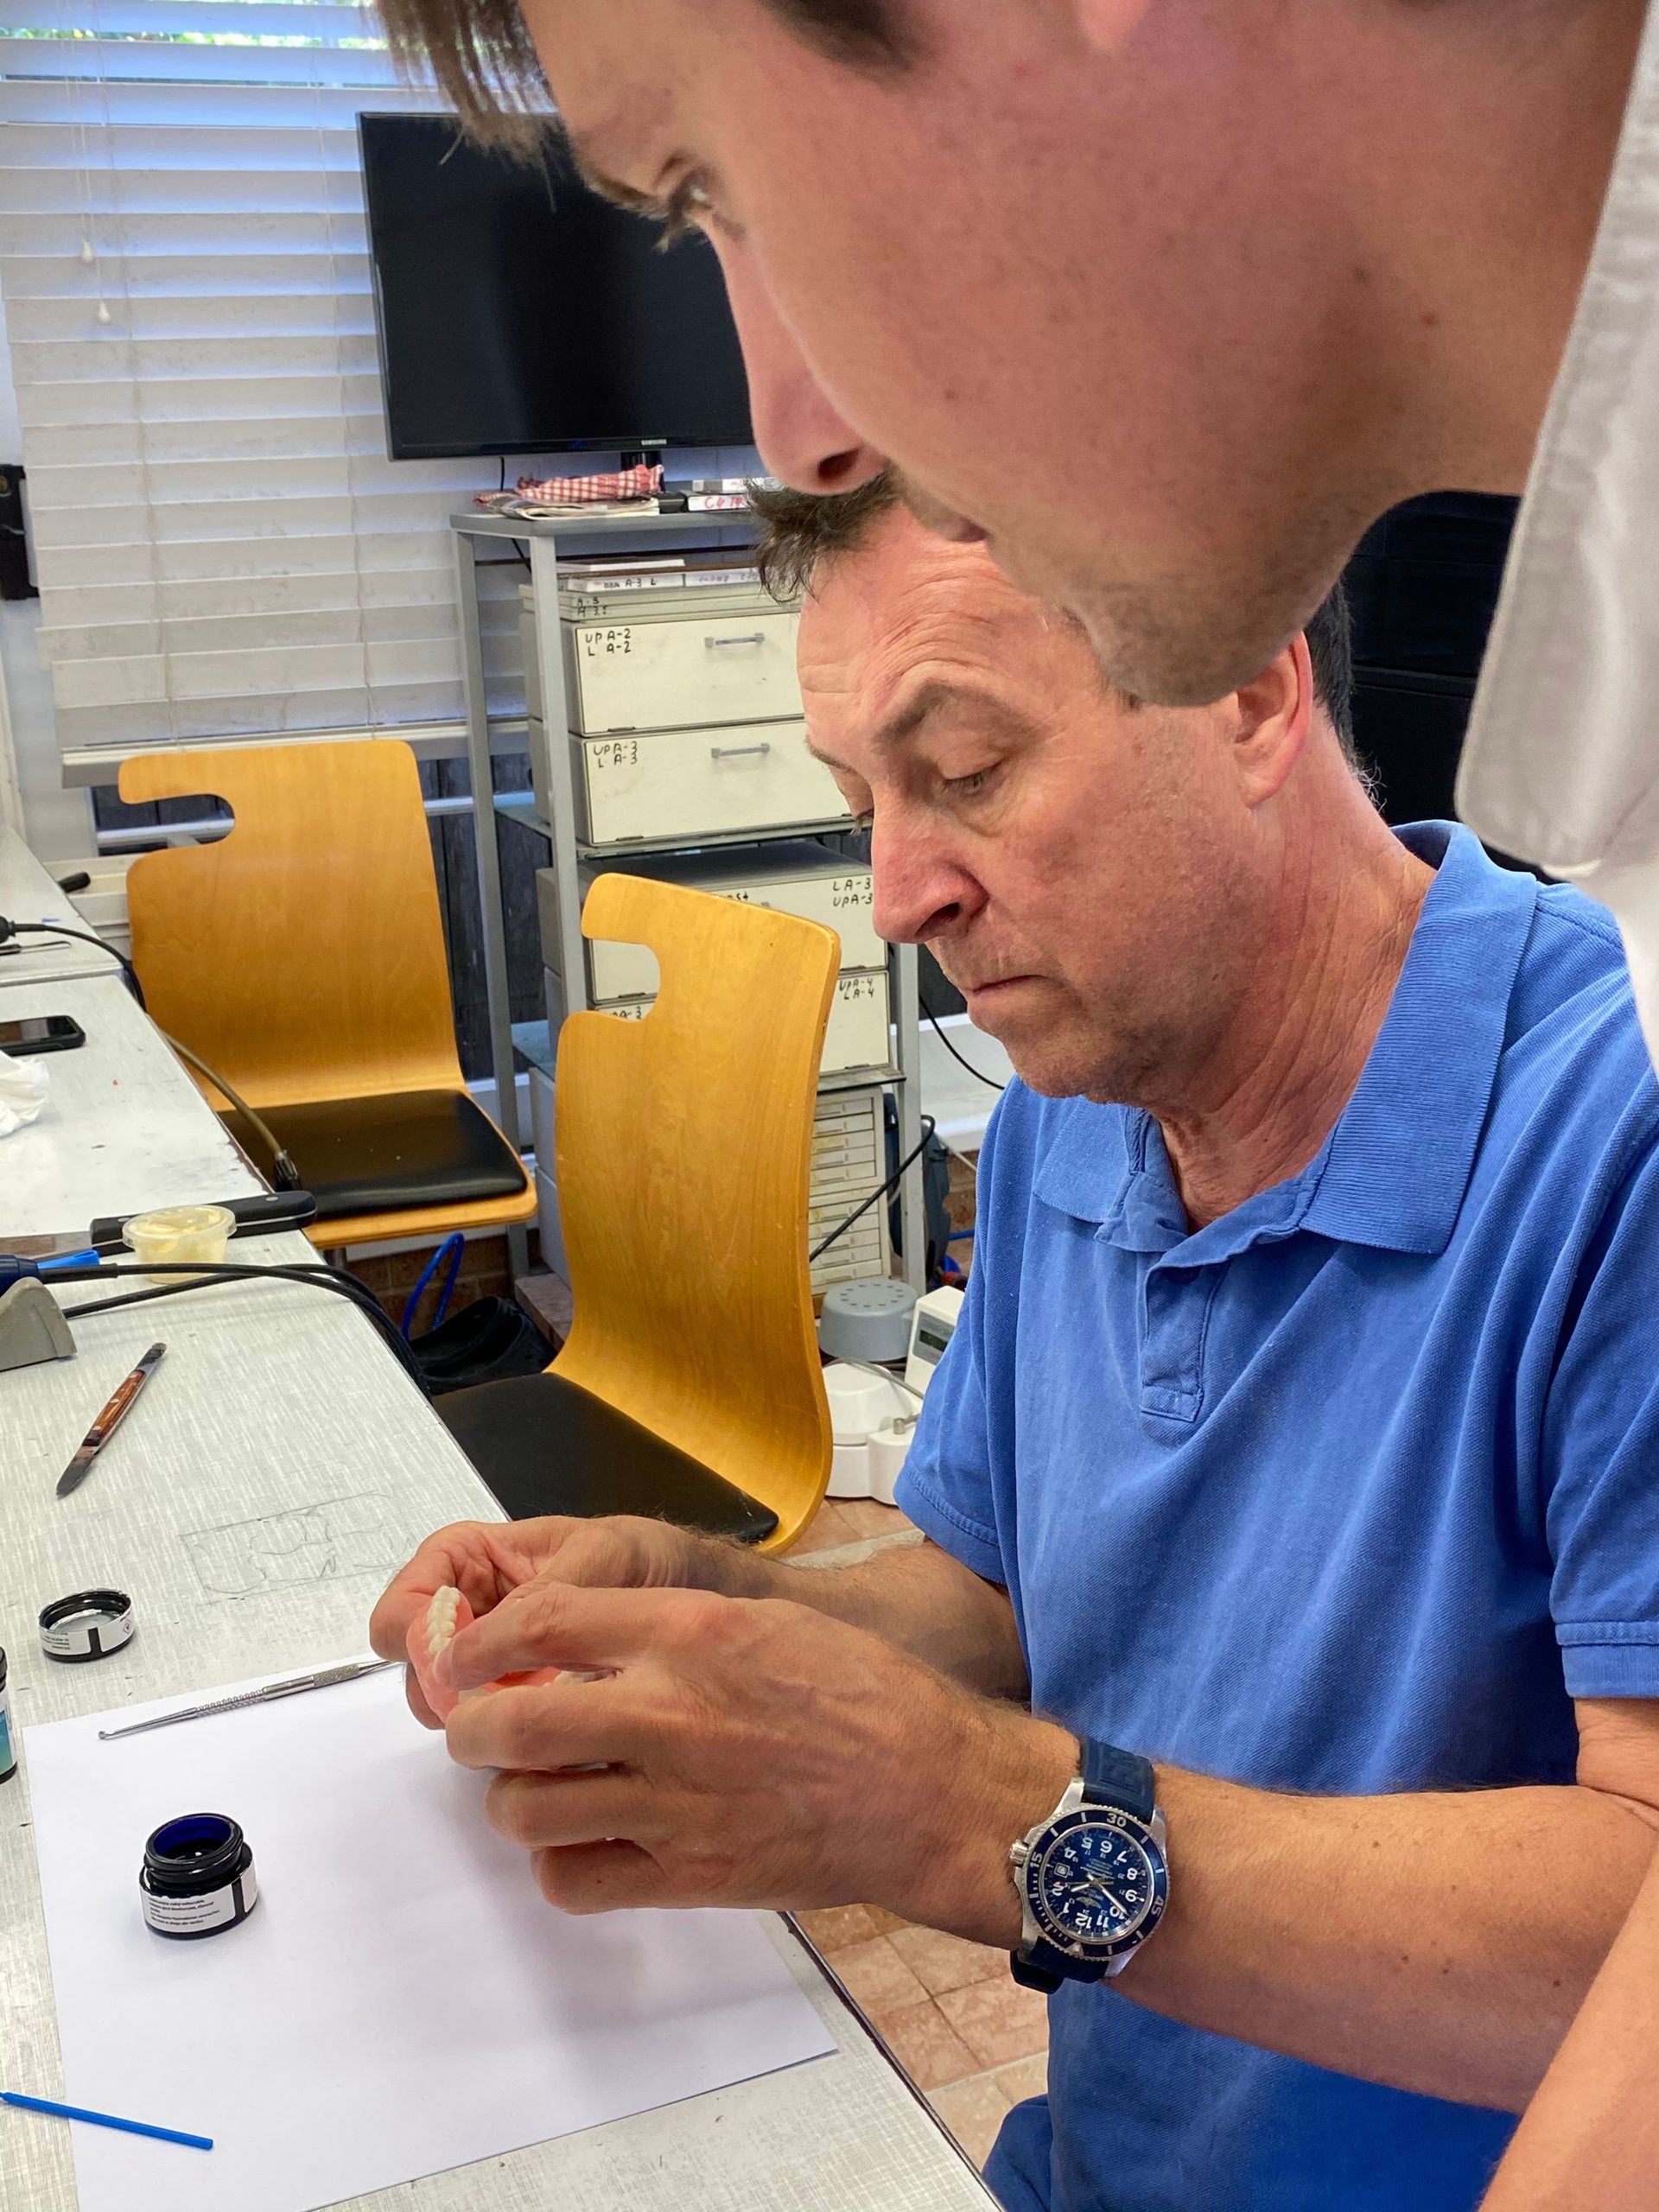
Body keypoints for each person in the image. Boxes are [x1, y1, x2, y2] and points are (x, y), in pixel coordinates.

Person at [361, 3, 1659, 2197]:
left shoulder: (1608, 1126)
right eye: (863, 796)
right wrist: (710, 1607)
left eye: (964, 768)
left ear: (1251, 694)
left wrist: (978, 1813)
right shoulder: (1079, 1088)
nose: (901, 892)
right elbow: (999, 1603)